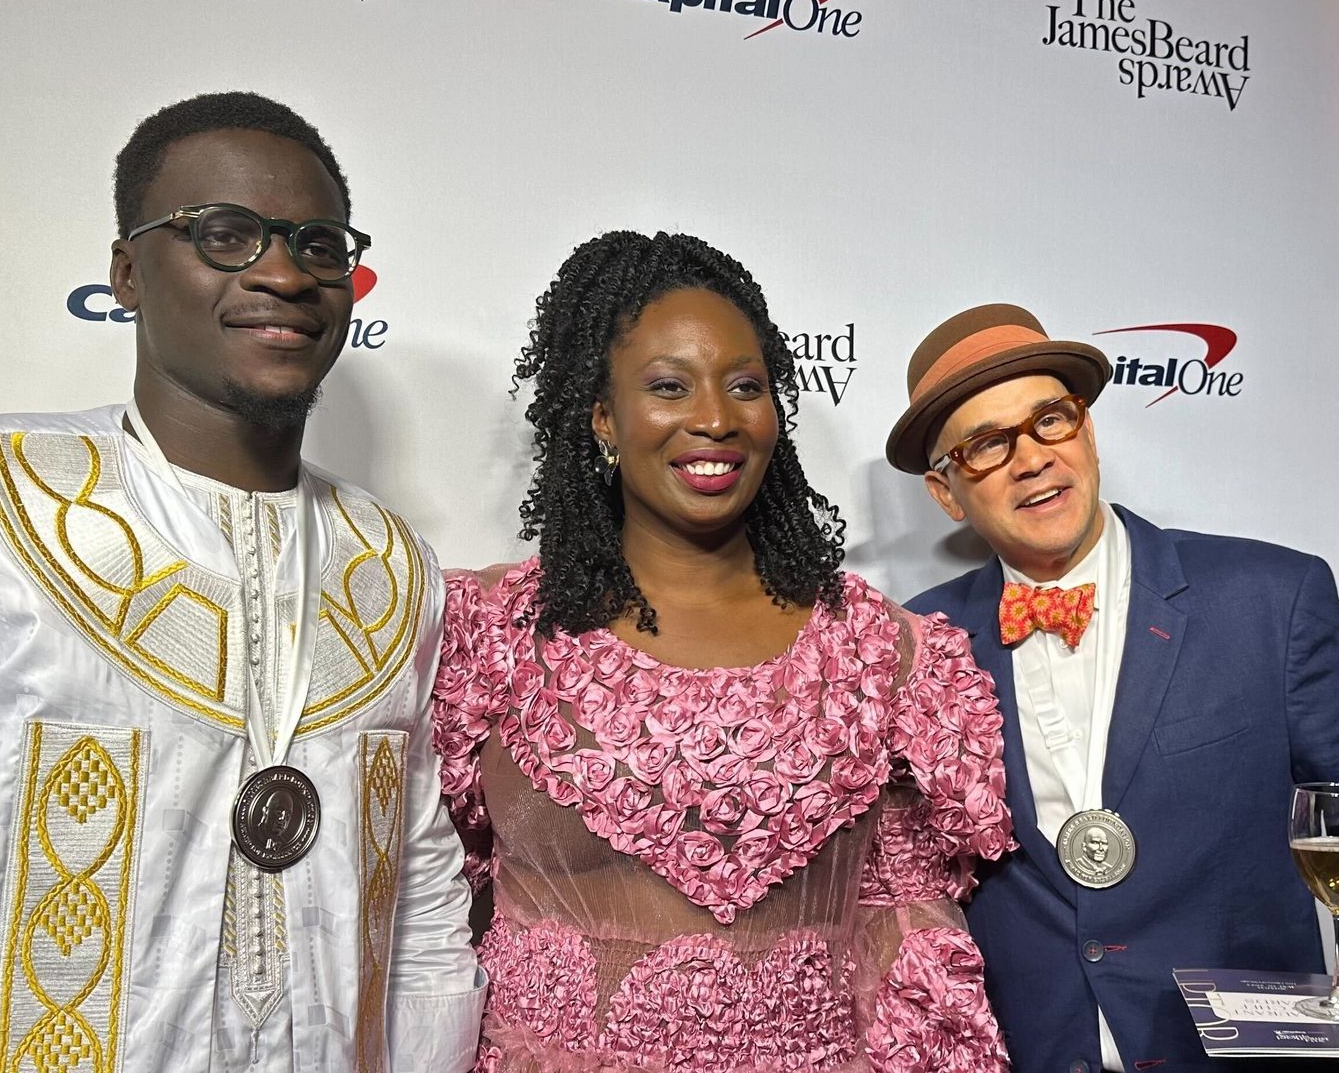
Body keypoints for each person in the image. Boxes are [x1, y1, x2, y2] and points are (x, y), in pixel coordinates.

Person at [0, 92, 484, 1073]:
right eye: (226, 235)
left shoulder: (388, 560)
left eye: (319, 243)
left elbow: (415, 902)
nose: (285, 272)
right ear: (127, 271)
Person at [428, 231, 1014, 1072]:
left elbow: (908, 927)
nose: (714, 417)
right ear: (602, 417)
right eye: (669, 386)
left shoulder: (883, 652)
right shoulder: (491, 632)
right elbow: (425, 905)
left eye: (746, 386)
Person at [888, 303, 1339, 1072]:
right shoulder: (913, 642)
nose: (1031, 458)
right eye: (987, 446)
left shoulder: (1270, 597)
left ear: (1088, 433)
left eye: (1050, 420)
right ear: (946, 493)